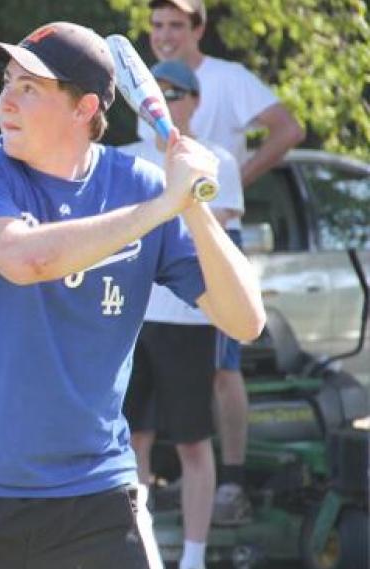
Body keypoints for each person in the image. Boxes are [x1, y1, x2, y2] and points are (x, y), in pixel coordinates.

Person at [0, 22, 265, 569]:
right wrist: (161, 207)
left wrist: (191, 204)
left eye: (30, 88)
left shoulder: (140, 184)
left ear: (84, 109)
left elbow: (245, 319)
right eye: (9, 81)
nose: (6, 100)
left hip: (97, 498)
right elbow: (25, 259)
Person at [144, 0, 305, 525]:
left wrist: (230, 180)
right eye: (158, 25)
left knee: (221, 364)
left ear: (199, 28)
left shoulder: (229, 79)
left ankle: (231, 480)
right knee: (152, 390)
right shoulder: (144, 85)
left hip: (215, 228)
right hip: (160, 238)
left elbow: (288, 129)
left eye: (176, 25)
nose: (166, 35)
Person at [121, 60, 244, 569]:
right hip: (129, 317)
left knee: (193, 442)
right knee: (132, 440)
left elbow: (205, 234)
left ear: (194, 101)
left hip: (189, 321)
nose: (164, 105)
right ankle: (139, 547)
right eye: (156, 94)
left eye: (175, 94)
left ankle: (192, 558)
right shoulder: (121, 159)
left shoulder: (216, 160)